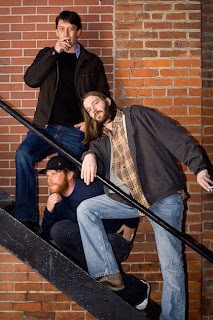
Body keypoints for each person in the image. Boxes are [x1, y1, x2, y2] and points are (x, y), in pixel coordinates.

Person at [77, 91, 213, 320]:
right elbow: (94, 161)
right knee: (86, 209)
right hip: (132, 201)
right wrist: (88, 156)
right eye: (89, 110)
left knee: (171, 266)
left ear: (108, 101)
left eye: (96, 103)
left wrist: (198, 167)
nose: (94, 110)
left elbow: (174, 136)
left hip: (163, 198)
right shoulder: (101, 141)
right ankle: (108, 273)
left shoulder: (137, 116)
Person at [14, 11, 110, 233]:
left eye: (70, 29)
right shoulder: (47, 55)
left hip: (75, 132)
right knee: (24, 154)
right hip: (45, 127)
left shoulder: (92, 62)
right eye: (61, 29)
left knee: (77, 179)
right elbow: (30, 80)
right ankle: (27, 218)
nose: (65, 34)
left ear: (79, 32)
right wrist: (53, 54)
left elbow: (104, 97)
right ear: (56, 32)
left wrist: (91, 123)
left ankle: (68, 230)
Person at [40, 155, 150, 311]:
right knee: (58, 230)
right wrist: (49, 210)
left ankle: (131, 288)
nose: (49, 179)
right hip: (92, 244)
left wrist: (131, 222)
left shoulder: (90, 186)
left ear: (70, 174)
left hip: (116, 239)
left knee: (87, 257)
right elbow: (48, 234)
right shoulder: (58, 201)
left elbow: (125, 195)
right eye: (47, 175)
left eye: (54, 173)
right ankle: (136, 290)